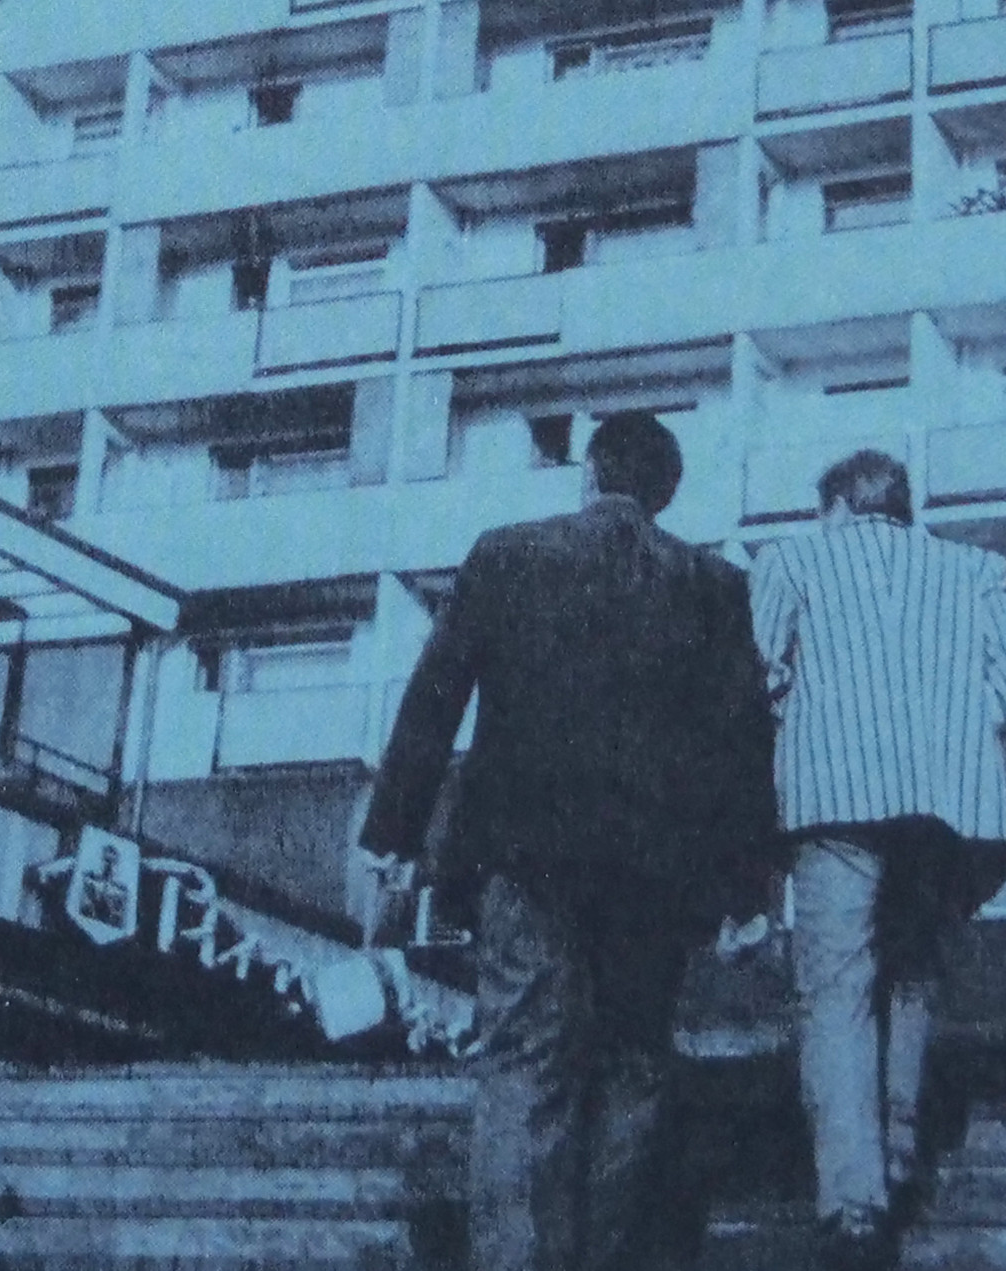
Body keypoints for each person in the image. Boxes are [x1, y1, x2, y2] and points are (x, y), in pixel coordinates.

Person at [357, 412, 779, 1271]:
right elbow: (742, 748)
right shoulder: (716, 586)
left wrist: (394, 829)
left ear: (589, 475)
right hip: (655, 877)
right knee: (631, 1064)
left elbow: (435, 694)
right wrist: (745, 891)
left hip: (525, 857)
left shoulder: (505, 554)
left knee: (523, 1058)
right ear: (666, 494)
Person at [748, 450, 1006, 1270]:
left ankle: (853, 1204)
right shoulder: (972, 568)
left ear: (837, 505)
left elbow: (756, 678)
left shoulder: (791, 559)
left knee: (837, 991)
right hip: (944, 808)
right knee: (909, 976)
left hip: (833, 800)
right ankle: (899, 1155)